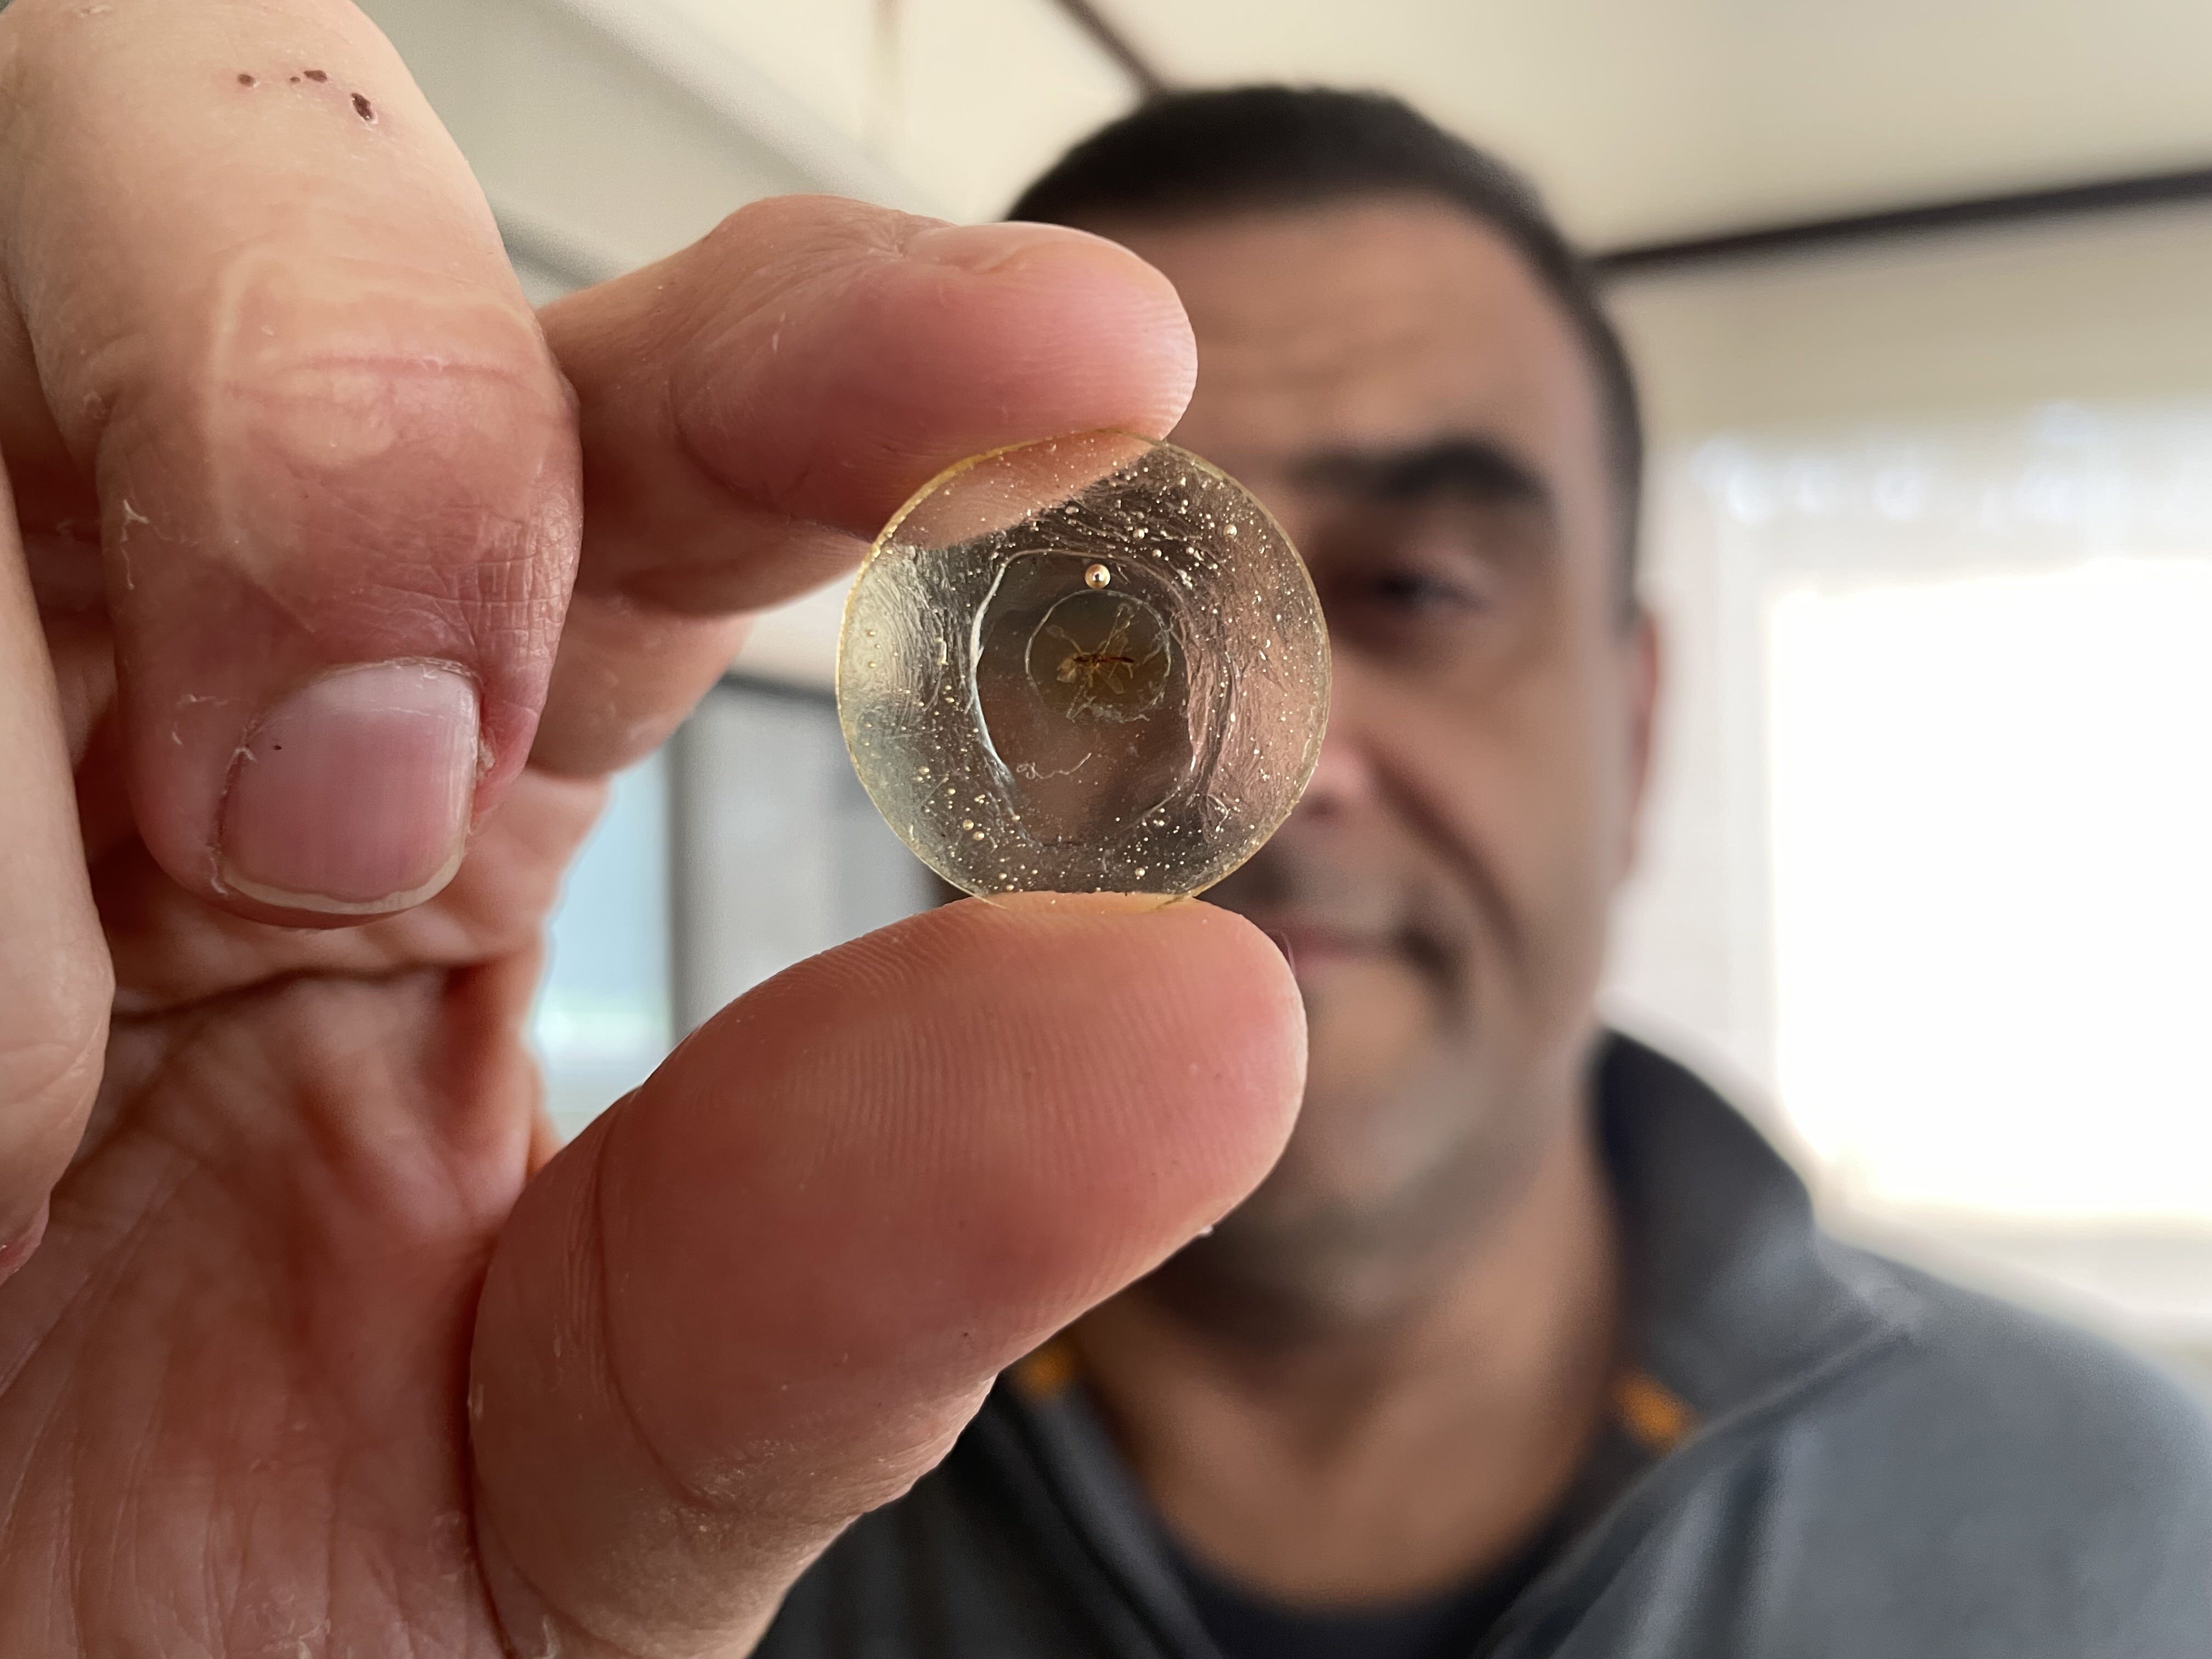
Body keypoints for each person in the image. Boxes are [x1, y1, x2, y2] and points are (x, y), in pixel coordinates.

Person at [0, 0, 2194, 1644]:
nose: (1289, 751)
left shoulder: (2135, 1536)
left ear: (1638, 714)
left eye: (1422, 590)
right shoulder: (536, 1487)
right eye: (1095, 622)